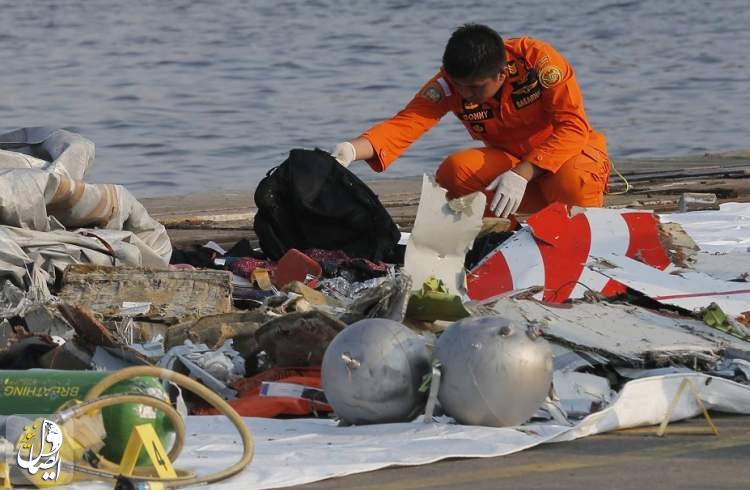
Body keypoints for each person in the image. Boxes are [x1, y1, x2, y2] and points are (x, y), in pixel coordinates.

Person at [330, 23, 610, 219]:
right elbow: (405, 124)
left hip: (567, 164)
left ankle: (587, 234)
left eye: (475, 88)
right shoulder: (450, 85)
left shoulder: (537, 62)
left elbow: (573, 127)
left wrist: (523, 172)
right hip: (512, 174)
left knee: (574, 177)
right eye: (459, 85)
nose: (466, 94)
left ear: (501, 75)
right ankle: (500, 238)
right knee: (454, 172)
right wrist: (350, 150)